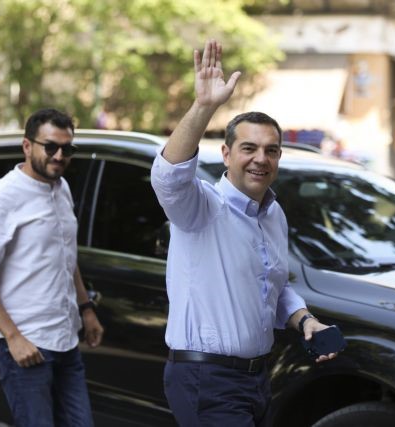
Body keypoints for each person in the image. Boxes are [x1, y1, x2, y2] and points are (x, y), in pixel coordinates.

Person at [151, 39, 338, 426]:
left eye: (271, 151)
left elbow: (274, 286)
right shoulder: (201, 206)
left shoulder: (273, 213)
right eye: (249, 148)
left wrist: (306, 320)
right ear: (226, 154)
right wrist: (204, 106)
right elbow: (168, 177)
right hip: (205, 379)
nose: (260, 159)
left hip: (256, 379)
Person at [0, 108, 104, 427]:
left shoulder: (62, 189)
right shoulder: (0, 199)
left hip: (65, 339)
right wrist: (13, 338)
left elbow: (66, 257)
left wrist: (86, 309)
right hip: (24, 343)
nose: (59, 156)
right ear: (27, 146)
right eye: (50, 147)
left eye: (67, 148)